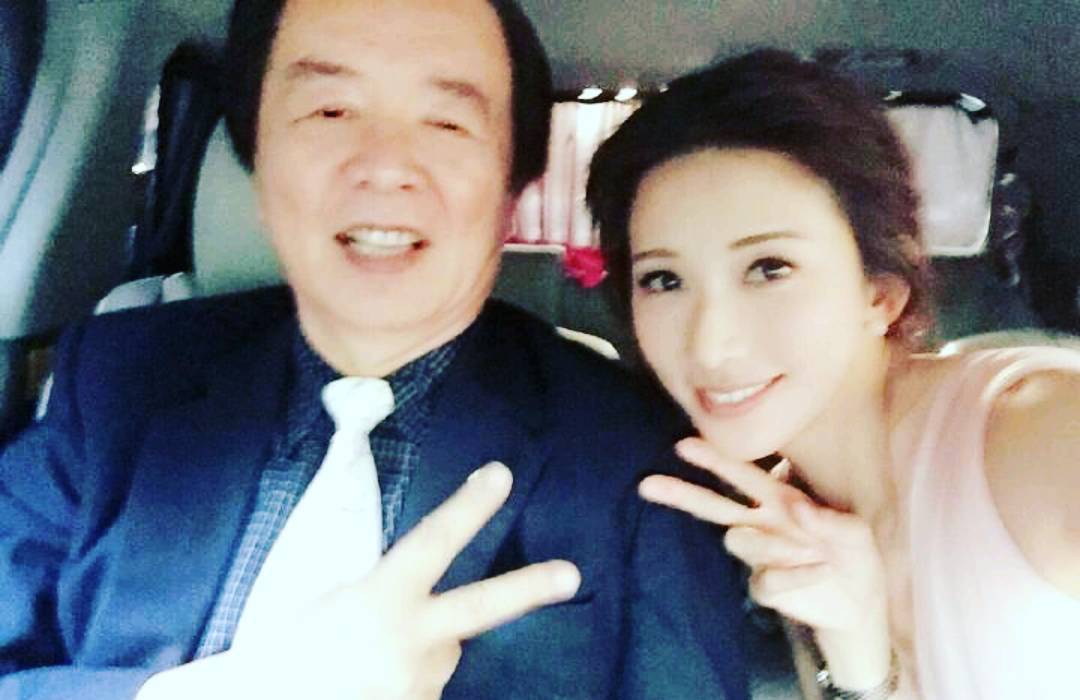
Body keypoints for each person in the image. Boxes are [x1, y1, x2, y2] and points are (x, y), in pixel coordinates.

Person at [0, 1, 751, 698]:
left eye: (447, 122)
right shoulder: (116, 379)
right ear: (257, 163)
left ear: (512, 190)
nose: (386, 165)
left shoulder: (635, 453)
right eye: (331, 110)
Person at [587, 49, 1080, 699]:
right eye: (663, 279)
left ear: (879, 292)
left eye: (769, 268)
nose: (709, 342)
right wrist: (860, 660)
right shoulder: (790, 518)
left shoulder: (1033, 430)